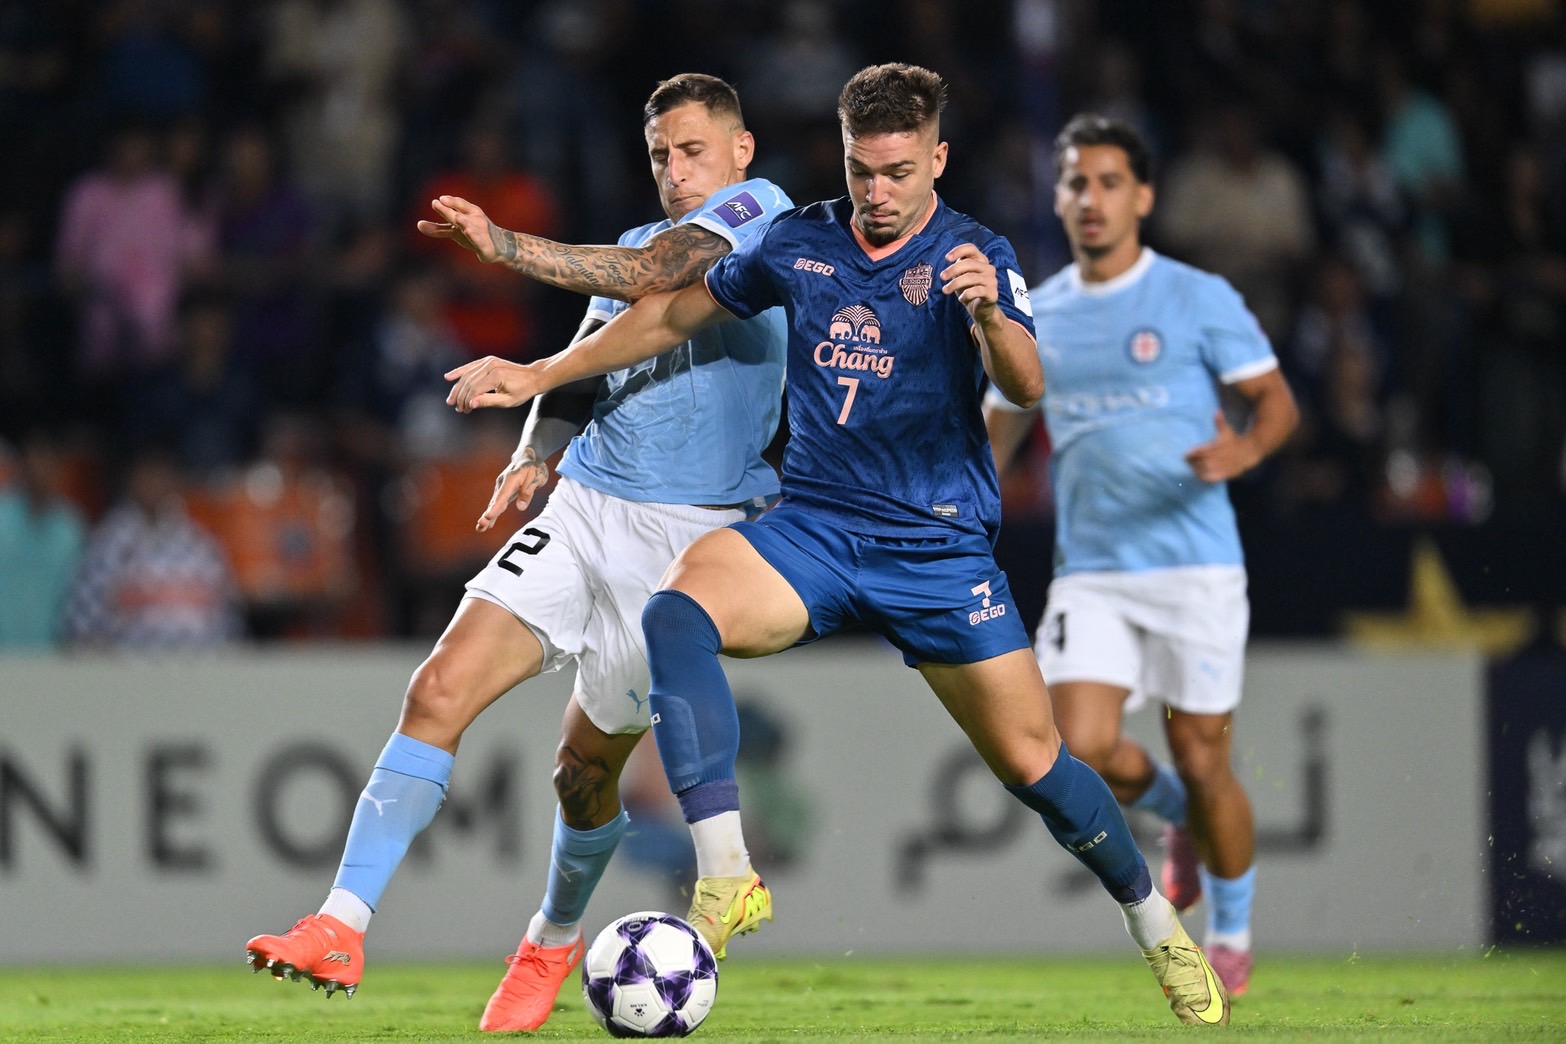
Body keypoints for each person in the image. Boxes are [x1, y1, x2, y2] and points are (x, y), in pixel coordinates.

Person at [445, 64, 1230, 1028]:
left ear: (937, 159)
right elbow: (672, 312)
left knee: (1039, 769)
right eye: (863, 170)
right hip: (814, 528)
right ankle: (726, 870)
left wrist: (990, 314)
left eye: (899, 172)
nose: (879, 192)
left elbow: (1027, 387)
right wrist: (541, 374)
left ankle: (1154, 923)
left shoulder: (975, 253)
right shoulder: (799, 240)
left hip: (935, 550)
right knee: (676, 612)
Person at [244, 73, 793, 1033]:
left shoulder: (763, 217)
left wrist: (502, 246)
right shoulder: (632, 243)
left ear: (740, 151)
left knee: (582, 773)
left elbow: (660, 274)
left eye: (692, 150)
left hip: (684, 542)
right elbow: (586, 367)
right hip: (586, 506)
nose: (674, 170)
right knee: (436, 690)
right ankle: (340, 923)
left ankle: (550, 938)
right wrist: (535, 454)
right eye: (660, 154)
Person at [984, 114, 1300, 1000]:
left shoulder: (1198, 297)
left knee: (1205, 760)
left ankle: (1231, 933)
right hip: (1093, 572)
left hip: (1197, 568)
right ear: (1058, 198)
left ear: (1144, 196)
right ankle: (1173, 814)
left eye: (1110, 181)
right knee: (1074, 745)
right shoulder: (1041, 313)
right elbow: (996, 435)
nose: (1092, 198)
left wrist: (1246, 448)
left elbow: (1275, 402)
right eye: (1076, 182)